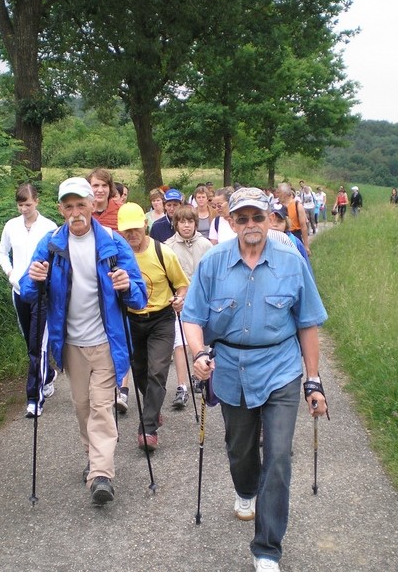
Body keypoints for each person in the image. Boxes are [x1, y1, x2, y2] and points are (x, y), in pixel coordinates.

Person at [181, 187, 328, 572]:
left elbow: (308, 322)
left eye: (257, 217)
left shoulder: (291, 261)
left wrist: (313, 380)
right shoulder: (213, 263)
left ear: (269, 220)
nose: (250, 225)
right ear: (231, 222)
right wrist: (198, 353)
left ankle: (266, 549)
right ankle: (245, 489)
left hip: (280, 367)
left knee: (278, 456)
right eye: (242, 218)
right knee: (240, 450)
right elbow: (192, 317)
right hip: (230, 368)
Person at [20, 177, 147, 505]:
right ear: (61, 209)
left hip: (106, 341)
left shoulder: (113, 244)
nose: (76, 212)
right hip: (71, 344)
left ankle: (102, 474)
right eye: (69, 206)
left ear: (92, 205)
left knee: (102, 407)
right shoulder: (51, 245)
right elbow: (29, 290)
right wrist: (33, 280)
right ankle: (94, 458)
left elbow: (139, 298)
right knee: (82, 407)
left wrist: (126, 286)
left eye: (81, 205)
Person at [117, 202, 189, 450]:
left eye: (135, 229)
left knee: (157, 370)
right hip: (131, 319)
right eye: (126, 231)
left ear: (145, 225)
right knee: (139, 371)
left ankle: (147, 429)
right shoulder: (116, 256)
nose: (132, 235)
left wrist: (179, 299)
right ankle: (153, 408)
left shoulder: (163, 253)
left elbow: (181, 284)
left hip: (161, 318)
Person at [0, 183, 58, 418]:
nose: (24, 209)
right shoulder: (11, 226)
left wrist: (49, 278)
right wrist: (11, 273)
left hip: (42, 293)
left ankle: (34, 398)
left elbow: (57, 257)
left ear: (37, 202)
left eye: (28, 205)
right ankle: (48, 374)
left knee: (38, 345)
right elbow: (1, 251)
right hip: (19, 290)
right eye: (20, 205)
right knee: (29, 343)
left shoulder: (49, 227)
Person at [164, 205, 212, 408]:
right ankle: (181, 386)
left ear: (195, 223)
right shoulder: (168, 246)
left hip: (202, 302)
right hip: (179, 303)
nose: (186, 225)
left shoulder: (206, 245)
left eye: (190, 221)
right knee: (180, 343)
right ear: (176, 224)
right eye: (182, 221)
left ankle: (199, 377)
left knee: (200, 343)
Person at [278, 183, 311, 255]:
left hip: (295, 236)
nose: (277, 195)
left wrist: (306, 246)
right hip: (281, 237)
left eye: (279, 193)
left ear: (284, 193)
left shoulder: (297, 205)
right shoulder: (278, 206)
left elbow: (303, 226)